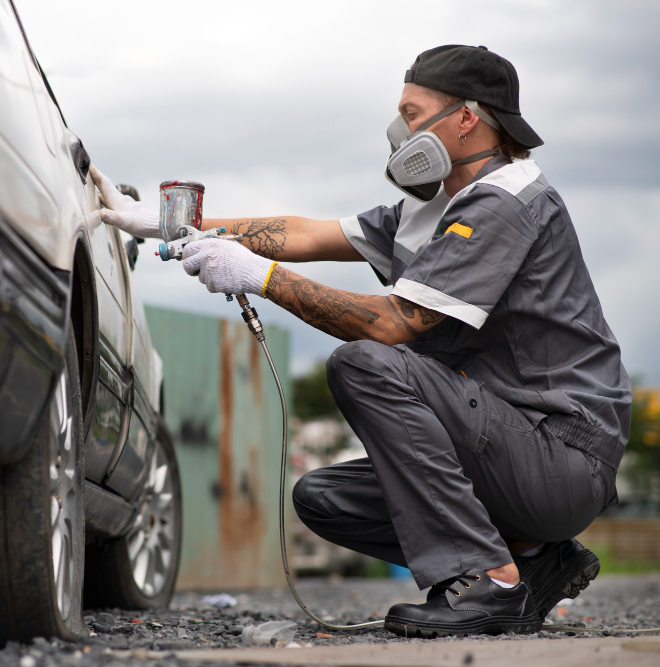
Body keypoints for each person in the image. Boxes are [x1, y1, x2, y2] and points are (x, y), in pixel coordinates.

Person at [91, 44, 632, 637]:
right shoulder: (431, 209)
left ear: (467, 118)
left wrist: (259, 278)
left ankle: (491, 580)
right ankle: (536, 560)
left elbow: (392, 324)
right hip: (510, 451)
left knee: (366, 363)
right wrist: (169, 224)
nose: (401, 130)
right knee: (325, 498)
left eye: (413, 111)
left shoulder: (506, 200)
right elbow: (303, 232)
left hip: (559, 454)